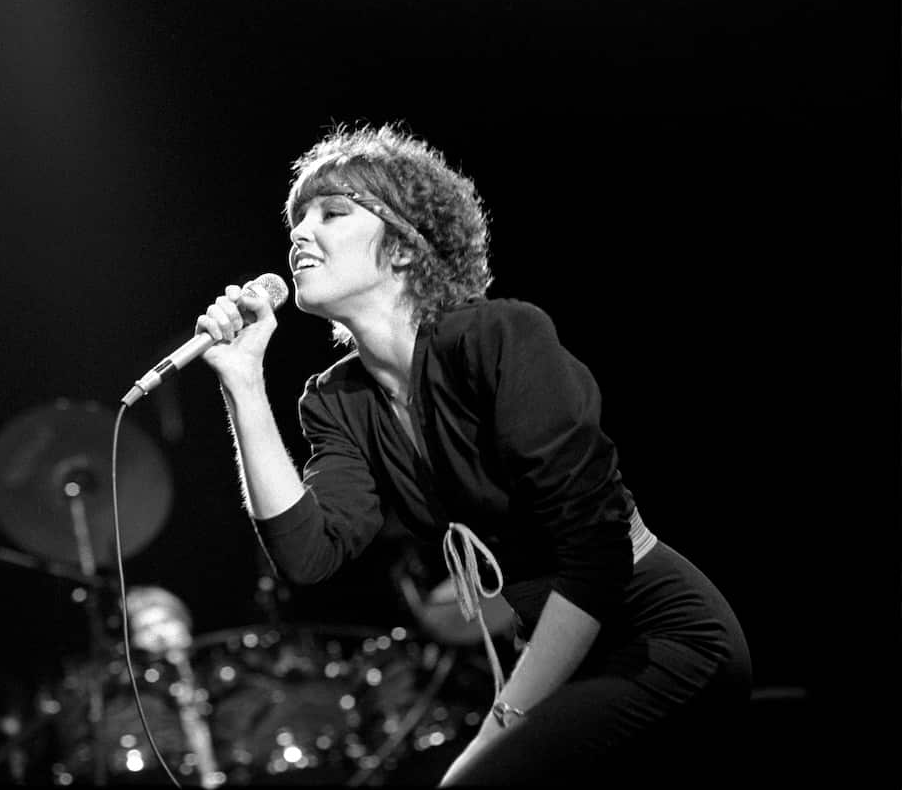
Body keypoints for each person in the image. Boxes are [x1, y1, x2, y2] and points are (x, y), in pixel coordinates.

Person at [194, 124, 752, 786]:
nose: (300, 234)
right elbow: (308, 555)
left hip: (658, 637)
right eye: (298, 218)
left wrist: (507, 715)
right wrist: (244, 384)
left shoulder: (498, 337)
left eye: (333, 213)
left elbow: (595, 554)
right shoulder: (338, 400)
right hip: (560, 652)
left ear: (403, 249)